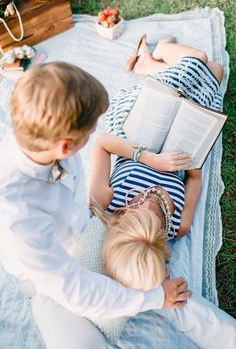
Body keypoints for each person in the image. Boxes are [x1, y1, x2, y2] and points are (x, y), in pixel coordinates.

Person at [0, 62, 191, 349]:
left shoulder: (40, 136)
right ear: (65, 147)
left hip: (89, 230)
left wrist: (90, 206)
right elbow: (77, 290)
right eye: (89, 133)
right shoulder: (16, 217)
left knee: (171, 287)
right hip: (49, 283)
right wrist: (153, 297)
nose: (93, 137)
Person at [88, 37, 236, 348]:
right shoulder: (177, 225)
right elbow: (194, 179)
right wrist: (194, 156)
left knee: (198, 58)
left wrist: (150, 158)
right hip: (181, 138)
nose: (142, 207)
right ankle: (149, 64)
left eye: (133, 211)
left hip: (138, 126)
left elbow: (103, 141)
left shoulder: (108, 201)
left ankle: (155, 58)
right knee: (216, 71)